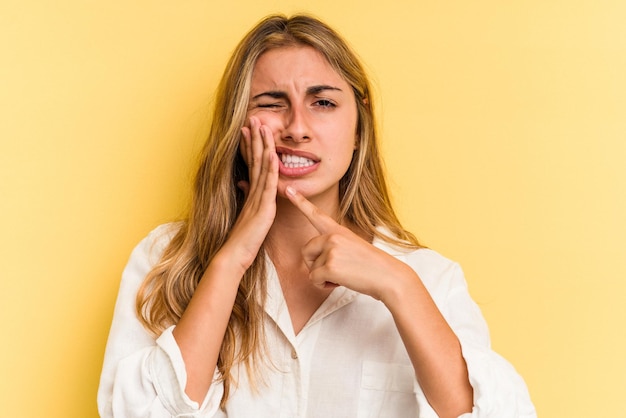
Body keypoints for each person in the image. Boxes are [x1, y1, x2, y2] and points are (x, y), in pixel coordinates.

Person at [97, 14, 536, 418]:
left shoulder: (431, 278)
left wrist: (397, 284)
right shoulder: (167, 261)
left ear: (359, 125)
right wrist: (230, 261)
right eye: (271, 102)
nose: (297, 127)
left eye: (323, 102)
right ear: (238, 124)